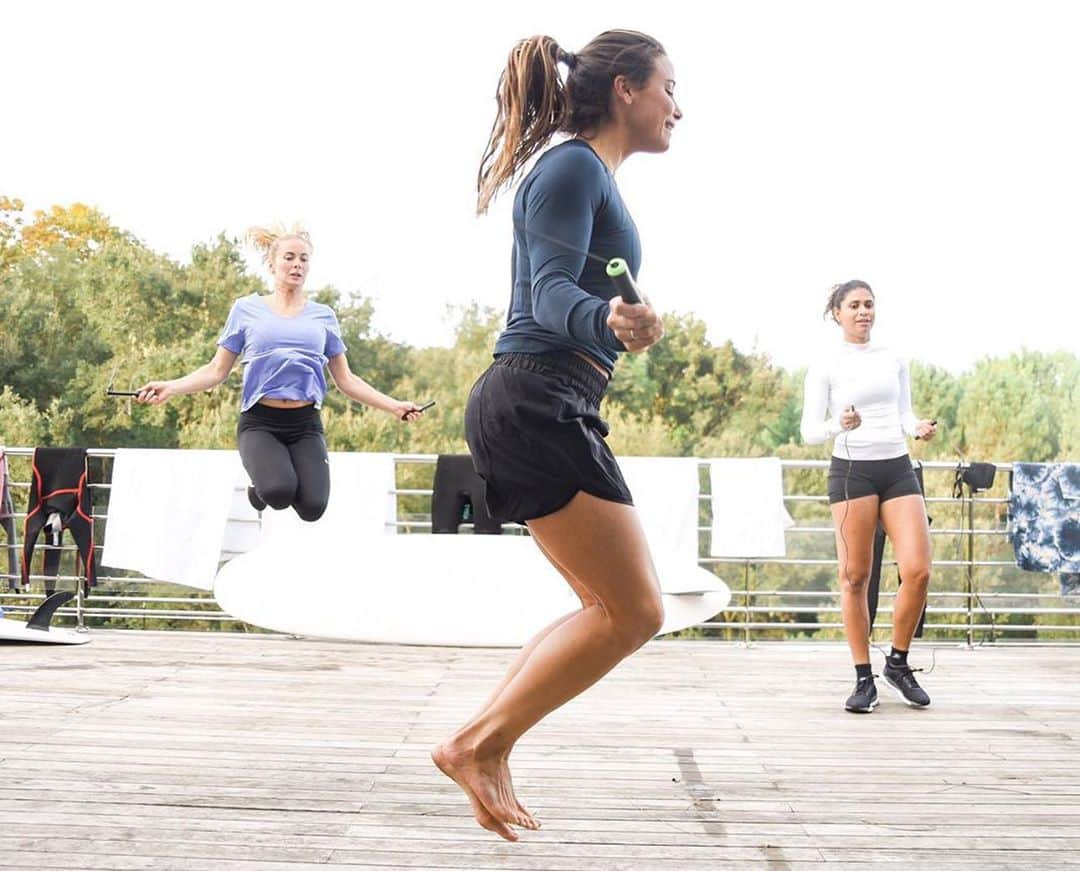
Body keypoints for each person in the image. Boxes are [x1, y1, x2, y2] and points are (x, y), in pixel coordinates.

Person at [431, 30, 680, 841]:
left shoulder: (588, 174)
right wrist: (606, 314)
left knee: (608, 605)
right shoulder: (572, 165)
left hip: (549, 399)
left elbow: (566, 292)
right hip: (537, 398)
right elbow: (546, 297)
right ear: (626, 91)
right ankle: (477, 742)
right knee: (634, 609)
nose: (679, 106)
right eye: (668, 87)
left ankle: (485, 745)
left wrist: (615, 325)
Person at [135, 224, 424, 520]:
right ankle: (259, 487)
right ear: (272, 263)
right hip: (260, 422)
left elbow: (347, 380)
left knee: (313, 509)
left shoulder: (323, 316)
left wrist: (394, 406)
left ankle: (272, 481)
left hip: (305, 423)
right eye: (289, 257)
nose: (297, 264)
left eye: (303, 258)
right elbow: (216, 370)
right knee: (278, 492)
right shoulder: (247, 309)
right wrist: (170, 386)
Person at [800, 280, 937, 713]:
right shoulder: (825, 364)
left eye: (869, 305)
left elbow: (903, 412)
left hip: (896, 467)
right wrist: (839, 424)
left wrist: (916, 428)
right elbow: (808, 432)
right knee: (855, 577)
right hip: (852, 471)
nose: (864, 312)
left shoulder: (893, 357)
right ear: (836, 313)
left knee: (918, 570)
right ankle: (864, 679)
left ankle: (898, 663)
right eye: (854, 305)